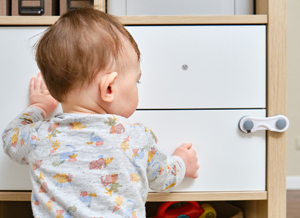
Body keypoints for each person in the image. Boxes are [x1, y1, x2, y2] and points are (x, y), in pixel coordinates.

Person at [2, 7, 199, 218]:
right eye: (136, 81)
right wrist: (181, 162)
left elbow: (9, 138)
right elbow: (162, 179)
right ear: (109, 89)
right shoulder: (136, 138)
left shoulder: (37, 136)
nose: (137, 86)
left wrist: (38, 108)